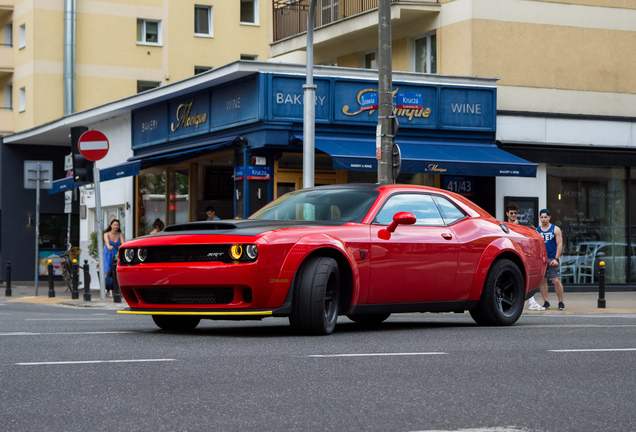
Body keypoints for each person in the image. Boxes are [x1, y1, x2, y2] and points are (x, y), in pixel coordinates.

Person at [506, 203, 545, 311]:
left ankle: (531, 302)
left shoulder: (521, 227)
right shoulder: (504, 226)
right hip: (510, 255)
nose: (513, 215)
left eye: (515, 213)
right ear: (507, 214)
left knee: (524, 278)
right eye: (511, 213)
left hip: (522, 255)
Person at [537, 209, 565, 310]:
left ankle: (561, 302)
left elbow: (560, 244)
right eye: (542, 217)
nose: (543, 219)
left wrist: (556, 258)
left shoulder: (555, 229)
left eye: (545, 217)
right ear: (540, 218)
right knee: (543, 281)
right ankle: (546, 302)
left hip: (552, 258)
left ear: (549, 217)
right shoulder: (537, 230)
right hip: (542, 259)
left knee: (556, 280)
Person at [103, 219, 124, 297]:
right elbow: (107, 244)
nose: (116, 226)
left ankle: (113, 287)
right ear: (111, 225)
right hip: (108, 253)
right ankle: (107, 288)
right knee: (107, 271)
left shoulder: (120, 234)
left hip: (116, 253)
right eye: (114, 225)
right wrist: (109, 246)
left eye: (117, 225)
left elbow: (123, 243)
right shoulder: (106, 234)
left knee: (115, 271)